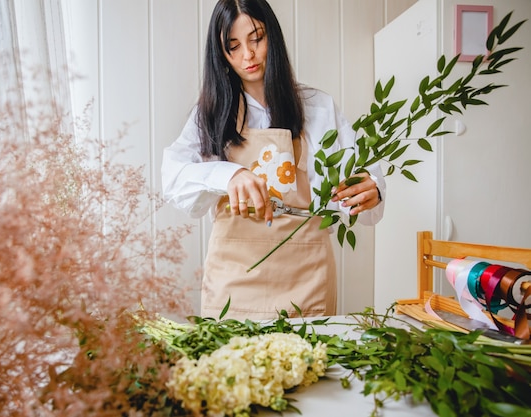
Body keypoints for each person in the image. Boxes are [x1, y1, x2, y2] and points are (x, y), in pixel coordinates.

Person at [161, 0, 385, 320]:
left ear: (273, 39)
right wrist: (229, 174)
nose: (247, 55)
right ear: (221, 54)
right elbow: (173, 177)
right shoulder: (210, 114)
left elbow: (360, 174)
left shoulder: (318, 106)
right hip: (235, 275)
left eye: (257, 38)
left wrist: (372, 186)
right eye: (233, 46)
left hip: (307, 275)